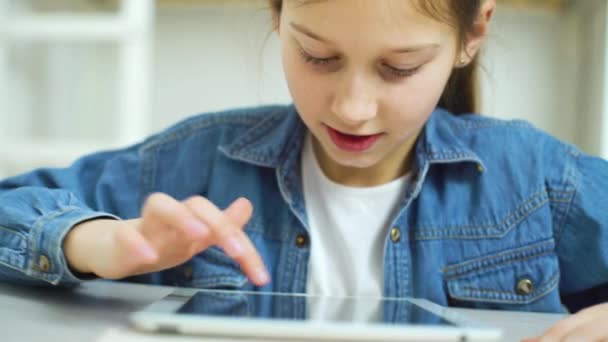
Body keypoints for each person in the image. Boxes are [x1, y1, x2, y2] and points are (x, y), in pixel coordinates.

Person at [0, 0, 606, 340]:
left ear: (473, 34)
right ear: (277, 17)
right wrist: (94, 242)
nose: (351, 108)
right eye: (318, 56)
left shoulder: (534, 179)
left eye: (398, 69)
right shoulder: (197, 160)